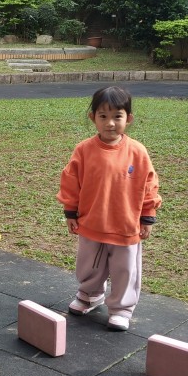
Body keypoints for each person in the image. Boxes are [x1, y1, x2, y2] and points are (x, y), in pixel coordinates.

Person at [57, 86, 161, 331]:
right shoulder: (84, 150)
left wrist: (148, 215)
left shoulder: (137, 152)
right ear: (92, 117)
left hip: (126, 225)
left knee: (125, 269)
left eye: (117, 116)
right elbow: (71, 181)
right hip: (91, 222)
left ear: (129, 118)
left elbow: (149, 184)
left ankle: (122, 309)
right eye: (103, 116)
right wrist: (70, 211)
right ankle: (89, 295)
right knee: (89, 263)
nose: (110, 123)